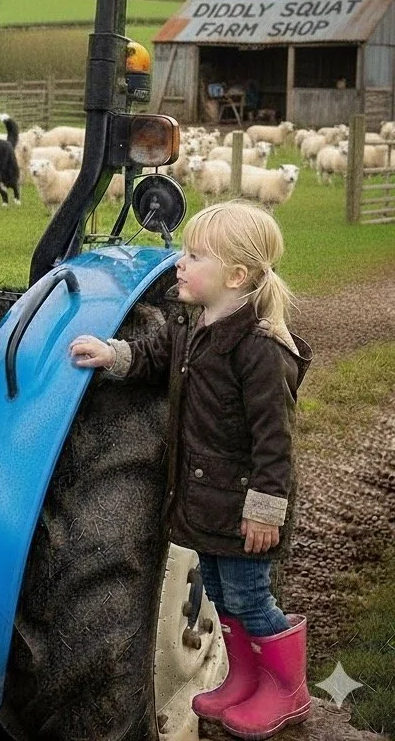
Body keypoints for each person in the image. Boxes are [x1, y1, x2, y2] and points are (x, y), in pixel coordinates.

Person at [67, 201, 313, 740]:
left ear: (235, 276)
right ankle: (244, 681)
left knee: (250, 599)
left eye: (193, 255)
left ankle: (288, 690)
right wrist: (113, 355)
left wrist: (266, 512)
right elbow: (155, 356)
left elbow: (276, 444)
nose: (180, 263)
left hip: (245, 508)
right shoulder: (192, 323)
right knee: (224, 597)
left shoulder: (260, 351)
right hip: (204, 503)